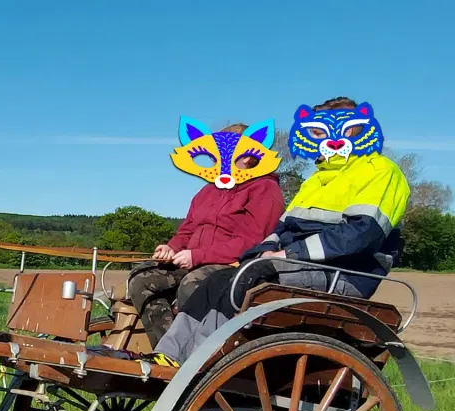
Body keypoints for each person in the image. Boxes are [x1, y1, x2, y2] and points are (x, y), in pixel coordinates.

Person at [155, 97, 411, 365]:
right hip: (301, 265)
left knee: (244, 280)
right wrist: (263, 253)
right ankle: (168, 356)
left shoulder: (381, 171)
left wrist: (288, 254)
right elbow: (281, 229)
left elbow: (361, 235)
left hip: (345, 272)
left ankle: (197, 364)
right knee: (216, 281)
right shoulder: (317, 179)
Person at [126, 118, 287, 348]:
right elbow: (188, 228)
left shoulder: (265, 189)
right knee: (141, 278)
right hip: (195, 261)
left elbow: (253, 242)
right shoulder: (208, 190)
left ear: (250, 156)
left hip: (233, 266)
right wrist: (172, 247)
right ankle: (166, 352)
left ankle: (195, 359)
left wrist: (197, 255)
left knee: (193, 284)